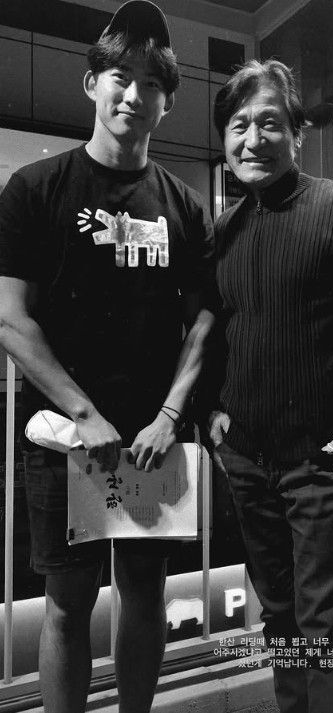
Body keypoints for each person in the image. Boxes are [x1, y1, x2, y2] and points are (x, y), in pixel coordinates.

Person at [0, 2, 217, 712]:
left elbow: (203, 320)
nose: (134, 94)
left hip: (153, 440)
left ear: (168, 102)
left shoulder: (185, 206)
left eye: (152, 83)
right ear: (92, 83)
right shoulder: (35, 190)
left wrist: (169, 416)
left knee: (145, 590)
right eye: (120, 76)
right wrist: (85, 413)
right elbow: (10, 317)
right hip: (67, 437)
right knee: (67, 602)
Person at [210, 59, 333, 713]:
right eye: (239, 125)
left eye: (269, 122)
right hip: (248, 460)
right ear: (225, 140)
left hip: (321, 460)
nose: (253, 139)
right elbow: (215, 330)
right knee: (280, 617)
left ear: (296, 132)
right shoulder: (225, 232)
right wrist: (212, 412)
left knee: (327, 629)